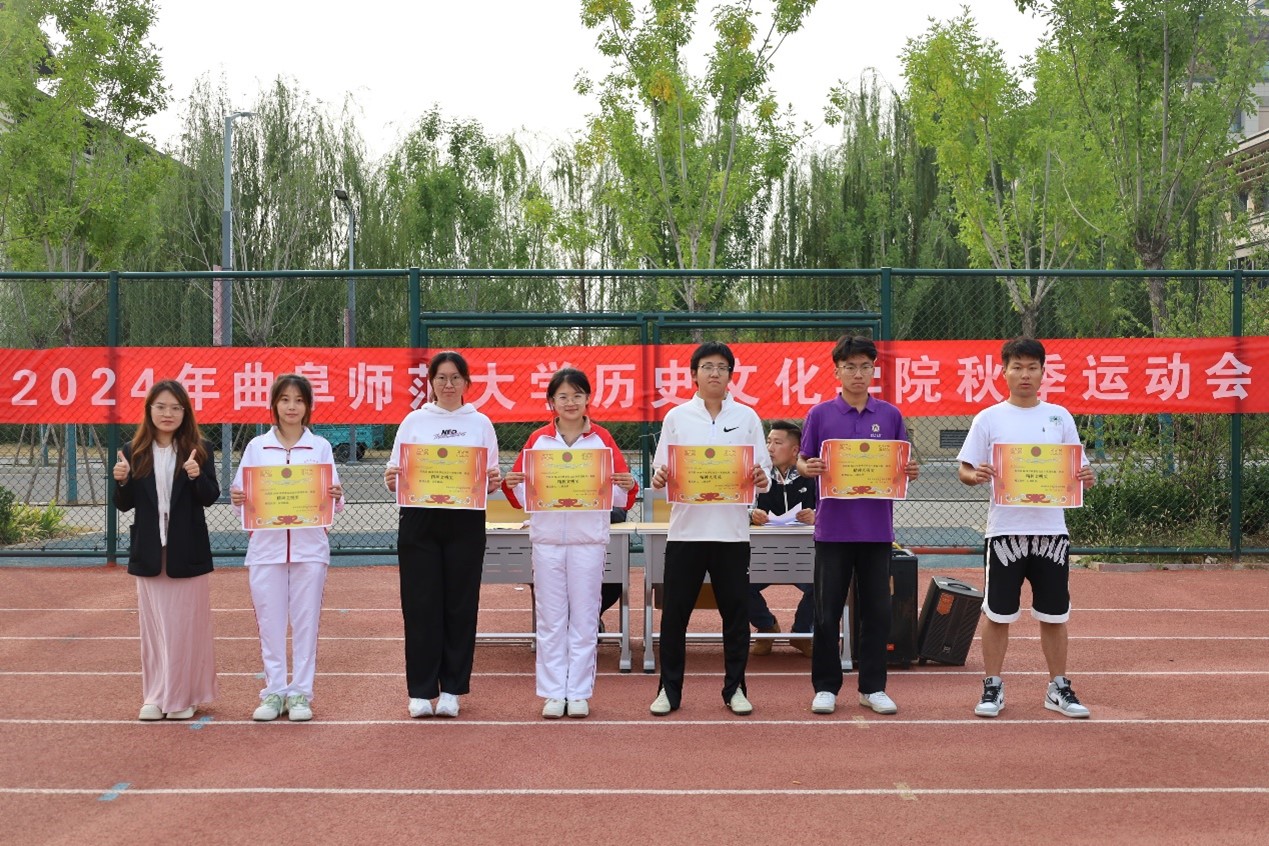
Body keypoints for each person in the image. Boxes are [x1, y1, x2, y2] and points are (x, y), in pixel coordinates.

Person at [957, 336, 1096, 719]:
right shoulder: (988, 418)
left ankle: (1058, 687)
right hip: (1005, 532)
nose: (1024, 374)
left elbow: (1080, 469)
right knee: (997, 613)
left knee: (1055, 614)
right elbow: (965, 469)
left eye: (1032, 367)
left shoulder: (1060, 417)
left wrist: (1086, 476)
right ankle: (992, 686)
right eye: (1017, 367)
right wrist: (975, 475)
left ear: (1042, 372)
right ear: (1003, 372)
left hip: (1052, 533)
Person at [502, 368, 639, 719]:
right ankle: (552, 692)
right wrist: (513, 482)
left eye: (577, 395)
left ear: (588, 399)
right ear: (551, 401)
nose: (570, 402)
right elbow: (520, 496)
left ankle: (578, 692)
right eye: (562, 396)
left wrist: (626, 483)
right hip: (547, 541)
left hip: (588, 541)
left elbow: (623, 495)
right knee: (550, 619)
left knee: (584, 617)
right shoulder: (538, 440)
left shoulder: (602, 440)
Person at [798, 335, 919, 716]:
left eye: (865, 366)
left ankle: (872, 687)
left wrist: (908, 471)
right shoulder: (820, 415)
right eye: (849, 366)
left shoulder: (890, 415)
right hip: (832, 530)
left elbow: (901, 463)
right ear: (837, 371)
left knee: (877, 612)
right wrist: (808, 467)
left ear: (873, 371)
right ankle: (826, 687)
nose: (858, 374)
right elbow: (802, 459)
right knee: (826, 612)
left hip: (876, 531)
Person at [649, 341, 771, 716]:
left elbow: (764, 474)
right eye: (707, 367)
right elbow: (660, 473)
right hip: (686, 533)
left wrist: (760, 477)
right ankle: (669, 690)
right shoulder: (677, 417)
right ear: (693, 374)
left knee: (735, 616)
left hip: (731, 535)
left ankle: (735, 689)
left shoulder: (747, 417)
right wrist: (660, 478)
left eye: (722, 367)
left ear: (731, 375)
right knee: (674, 617)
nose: (715, 373)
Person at [385, 351, 501, 719]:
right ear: (431, 383)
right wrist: (392, 479)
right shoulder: (414, 421)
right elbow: (394, 473)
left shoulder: (480, 423)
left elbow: (490, 478)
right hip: (420, 521)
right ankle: (420, 691)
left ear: (467, 382)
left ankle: (452, 690)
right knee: (420, 605)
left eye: (455, 378)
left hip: (465, 522)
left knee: (460, 606)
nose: (448, 385)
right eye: (441, 378)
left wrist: (492, 482)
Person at [230, 374, 344, 722]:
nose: (291, 406)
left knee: (306, 623)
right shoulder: (257, 447)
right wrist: (239, 498)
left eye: (298, 400)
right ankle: (274, 691)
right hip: (267, 550)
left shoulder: (320, 447)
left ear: (308, 406)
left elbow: (334, 503)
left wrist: (335, 496)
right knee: (270, 622)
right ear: (274, 405)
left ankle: (300, 695)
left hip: (310, 549)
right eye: (284, 399)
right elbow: (240, 498)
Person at [112, 379, 220, 721]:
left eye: (175, 407)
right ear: (149, 411)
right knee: (155, 630)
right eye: (160, 406)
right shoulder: (133, 451)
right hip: (149, 553)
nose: (168, 413)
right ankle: (155, 696)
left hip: (187, 552)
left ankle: (184, 697)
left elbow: (210, 496)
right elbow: (124, 504)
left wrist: (196, 475)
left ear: (185, 412)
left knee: (185, 627)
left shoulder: (199, 448)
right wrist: (121, 480)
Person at [748, 420, 817, 657]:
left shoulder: (812, 476)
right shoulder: (758, 476)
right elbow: (740, 507)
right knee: (736, 583)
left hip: (805, 555)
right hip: (762, 555)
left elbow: (831, 509)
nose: (770, 448)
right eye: (768, 442)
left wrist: (816, 515)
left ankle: (801, 633)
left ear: (795, 450)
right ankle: (767, 627)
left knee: (824, 583)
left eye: (777, 443)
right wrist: (751, 515)